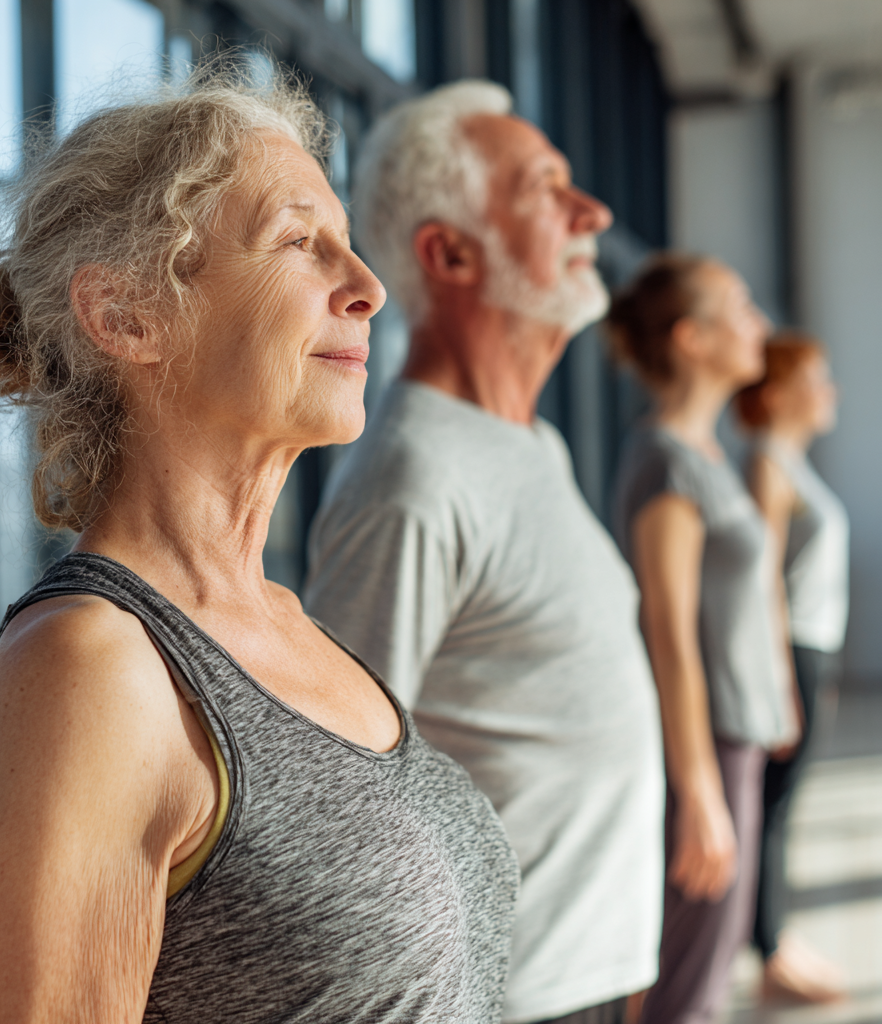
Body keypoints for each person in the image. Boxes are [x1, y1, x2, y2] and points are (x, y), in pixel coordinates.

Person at [0, 60, 519, 1024]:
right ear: (126, 314)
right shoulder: (92, 668)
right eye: (300, 241)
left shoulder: (289, 624)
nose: (369, 286)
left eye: (349, 243)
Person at [303, 80, 665, 1024]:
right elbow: (337, 798)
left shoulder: (531, 442)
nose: (595, 212)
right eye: (548, 188)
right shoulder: (414, 478)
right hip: (518, 997)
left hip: (589, 973)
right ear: (450, 252)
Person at [609, 255, 800, 1024]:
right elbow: (670, 636)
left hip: (735, 737)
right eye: (742, 308)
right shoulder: (666, 463)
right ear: (692, 339)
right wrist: (699, 794)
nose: (760, 324)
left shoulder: (706, 455)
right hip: (709, 745)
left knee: (707, 968)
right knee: (689, 981)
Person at [736, 332, 849, 1003]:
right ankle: (770, 948)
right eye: (818, 378)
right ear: (778, 394)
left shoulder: (788, 462)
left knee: (784, 802)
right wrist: (778, 680)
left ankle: (775, 936)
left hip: (813, 648)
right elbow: (762, 585)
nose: (828, 391)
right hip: (793, 647)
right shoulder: (767, 465)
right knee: (772, 804)